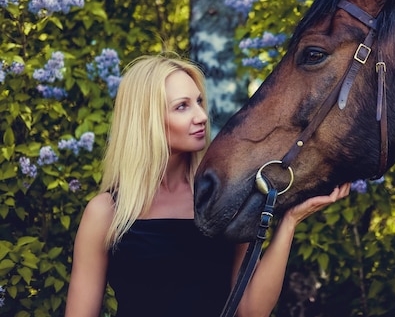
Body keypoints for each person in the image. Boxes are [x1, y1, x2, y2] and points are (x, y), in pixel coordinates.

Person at [65, 54, 351, 317]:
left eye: (199, 102)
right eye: (182, 107)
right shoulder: (105, 212)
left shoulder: (225, 197)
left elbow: (252, 311)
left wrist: (290, 221)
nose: (201, 116)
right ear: (146, 121)